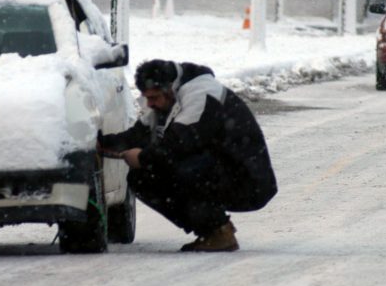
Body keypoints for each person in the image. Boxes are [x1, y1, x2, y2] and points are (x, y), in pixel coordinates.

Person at [99, 60, 277, 252]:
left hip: (248, 180)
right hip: (220, 170)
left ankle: (218, 232)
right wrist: (101, 143)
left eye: (154, 98)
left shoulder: (201, 94)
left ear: (169, 88)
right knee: (141, 178)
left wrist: (142, 158)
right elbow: (137, 135)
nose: (150, 104)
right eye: (147, 98)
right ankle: (212, 231)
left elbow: (177, 146)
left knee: (171, 167)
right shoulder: (168, 100)